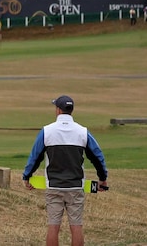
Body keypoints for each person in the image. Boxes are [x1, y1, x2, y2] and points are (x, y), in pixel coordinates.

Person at [23, 95, 108, 246]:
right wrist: (102, 177)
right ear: (71, 110)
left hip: (54, 186)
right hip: (75, 186)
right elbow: (97, 156)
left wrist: (27, 176)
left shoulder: (47, 131)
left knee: (53, 226)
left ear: (58, 110)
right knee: (76, 226)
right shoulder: (82, 132)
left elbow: (35, 156)